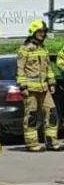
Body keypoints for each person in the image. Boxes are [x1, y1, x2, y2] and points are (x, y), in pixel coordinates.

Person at [17, 20, 62, 152]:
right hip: (30, 90)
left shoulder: (43, 49)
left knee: (52, 113)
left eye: (44, 32)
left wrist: (52, 82)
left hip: (44, 88)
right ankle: (32, 144)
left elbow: (48, 68)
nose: (43, 34)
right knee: (31, 116)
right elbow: (20, 69)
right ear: (33, 32)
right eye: (40, 32)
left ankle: (52, 142)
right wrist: (23, 87)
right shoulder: (24, 49)